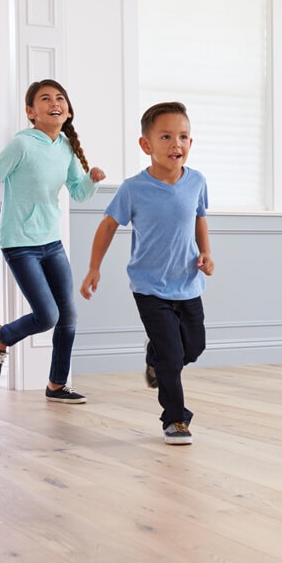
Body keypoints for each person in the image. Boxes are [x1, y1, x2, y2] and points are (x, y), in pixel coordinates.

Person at [79, 101, 214, 445]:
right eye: (166, 136)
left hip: (187, 283)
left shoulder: (196, 181)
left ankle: (154, 356)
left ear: (191, 143)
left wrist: (206, 254)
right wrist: (94, 267)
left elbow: (199, 218)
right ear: (146, 145)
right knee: (172, 356)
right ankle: (176, 419)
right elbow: (108, 226)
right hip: (149, 287)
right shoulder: (133, 188)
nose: (176, 144)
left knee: (193, 348)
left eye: (183, 136)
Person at [0, 80, 105, 403]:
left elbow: (77, 192)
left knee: (68, 317)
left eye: (60, 98)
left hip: (52, 242)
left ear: (68, 110)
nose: (54, 103)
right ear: (31, 112)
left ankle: (57, 385)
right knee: (47, 316)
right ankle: (0, 337)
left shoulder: (65, 147)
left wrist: (92, 180)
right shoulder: (22, 145)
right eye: (45, 99)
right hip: (19, 244)